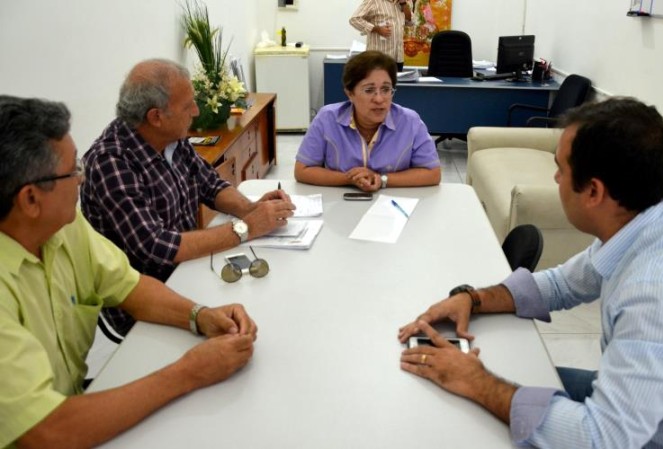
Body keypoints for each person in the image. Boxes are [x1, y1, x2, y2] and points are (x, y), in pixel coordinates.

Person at [398, 98, 663, 448]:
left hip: (654, 439)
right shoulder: (653, 215)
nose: (555, 177)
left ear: (593, 191)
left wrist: (478, 383)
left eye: (560, 169)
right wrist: (473, 298)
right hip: (641, 410)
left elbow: (599, 439)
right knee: (488, 375)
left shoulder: (658, 297)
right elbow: (561, 285)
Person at [0, 95, 258, 449]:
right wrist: (190, 372)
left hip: (71, 404)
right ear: (30, 199)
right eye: (73, 170)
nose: (82, 179)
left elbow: (130, 287)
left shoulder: (63, 226)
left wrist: (201, 315)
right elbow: (47, 431)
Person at [80, 59, 295, 336]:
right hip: (149, 301)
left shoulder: (170, 135)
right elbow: (157, 246)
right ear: (156, 116)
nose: (195, 111)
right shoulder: (110, 163)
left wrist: (251, 208)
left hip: (189, 269)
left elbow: (210, 184)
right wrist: (248, 227)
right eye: (187, 106)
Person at [295, 51, 440, 192]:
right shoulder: (327, 119)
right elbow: (302, 170)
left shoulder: (410, 122)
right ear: (350, 93)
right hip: (340, 204)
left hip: (394, 206)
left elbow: (433, 173)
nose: (379, 99)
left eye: (385, 89)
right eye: (369, 90)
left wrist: (381, 179)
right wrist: (349, 179)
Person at [350, 0, 412, 72]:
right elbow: (354, 19)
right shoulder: (373, 1)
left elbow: (411, 22)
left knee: (395, 83)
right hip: (378, 58)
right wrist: (377, 29)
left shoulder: (403, 3)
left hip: (398, 58)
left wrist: (403, 4)